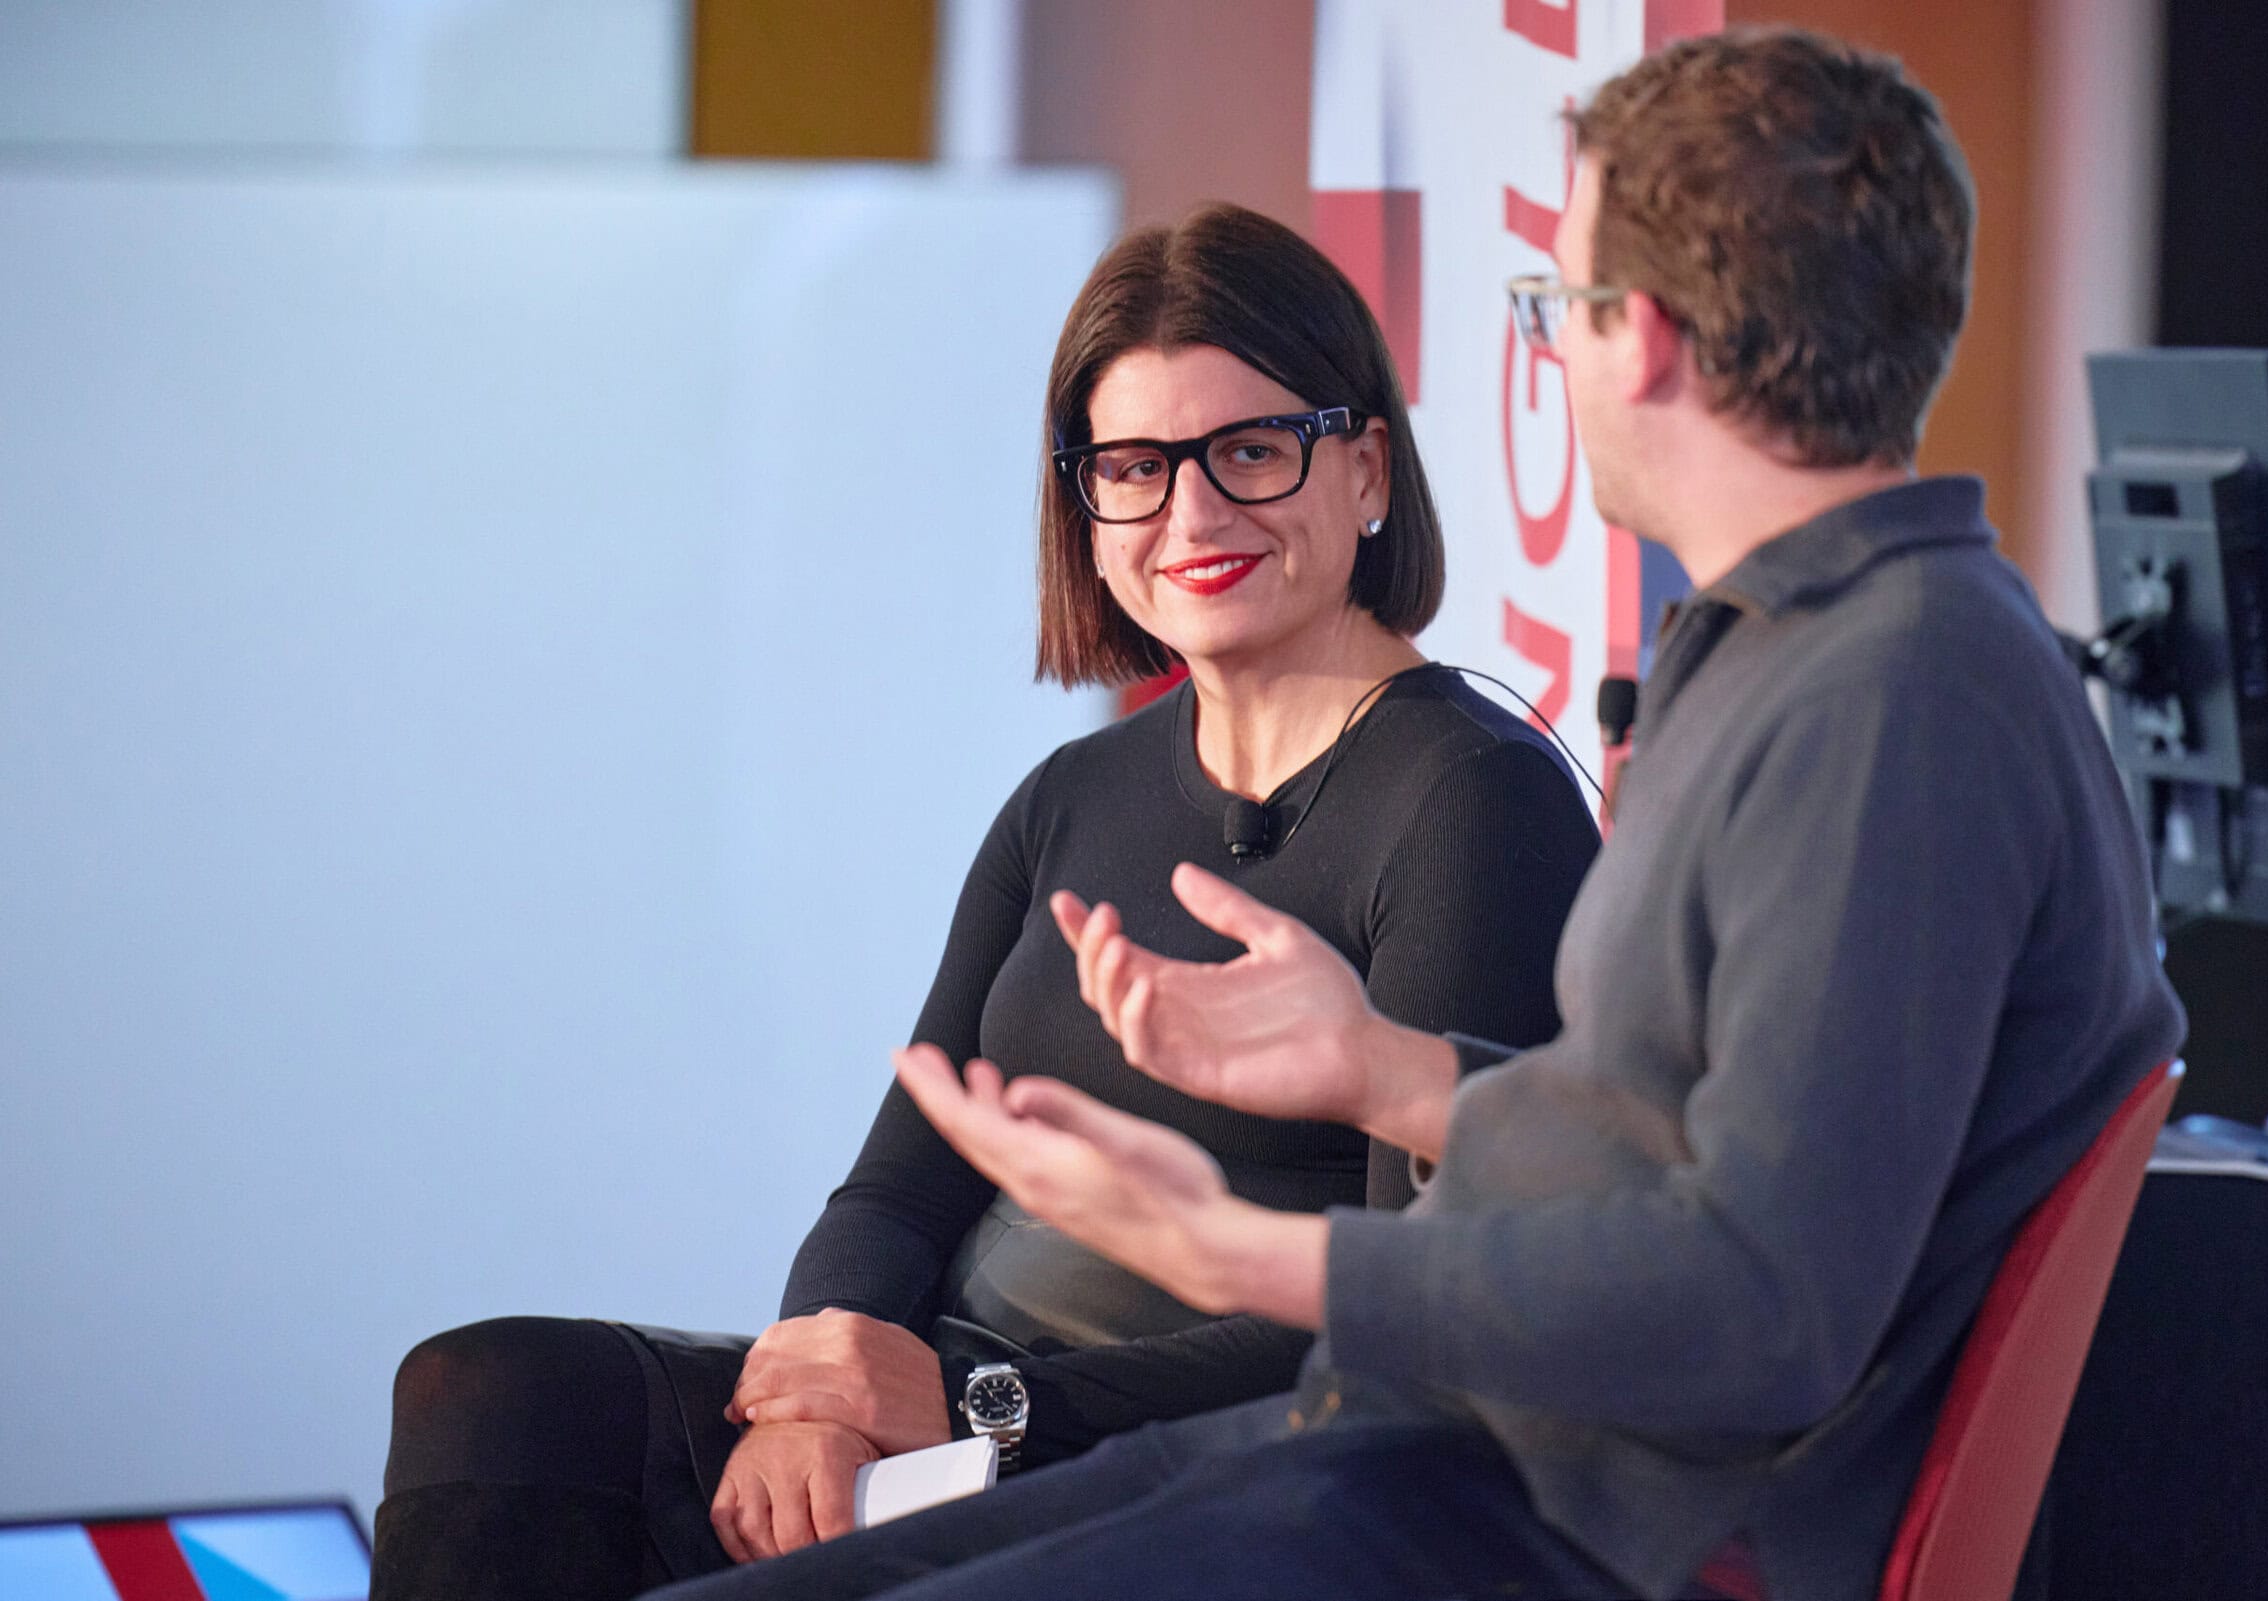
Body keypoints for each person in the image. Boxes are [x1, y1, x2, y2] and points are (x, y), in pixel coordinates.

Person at [640, 26, 2187, 1601]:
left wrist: (1236, 1250)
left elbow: (1758, 1306)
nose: (1557, 357)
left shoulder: (1891, 701)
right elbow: (1666, 1153)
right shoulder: (1805, 655)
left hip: (1587, 1524)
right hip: (1476, 1463)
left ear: (1637, 336)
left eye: (1556, 307)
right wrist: (1392, 1070)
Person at [366, 204, 1599, 1601]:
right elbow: (901, 1182)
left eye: (1251, 451)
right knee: (494, 1390)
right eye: (1133, 467)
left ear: (1367, 468)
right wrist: (818, 1389)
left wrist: (979, 1401)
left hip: (1186, 1458)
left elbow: (1398, 1324)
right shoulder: (1070, 795)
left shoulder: (1473, 797)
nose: (1192, 515)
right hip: (946, 1402)